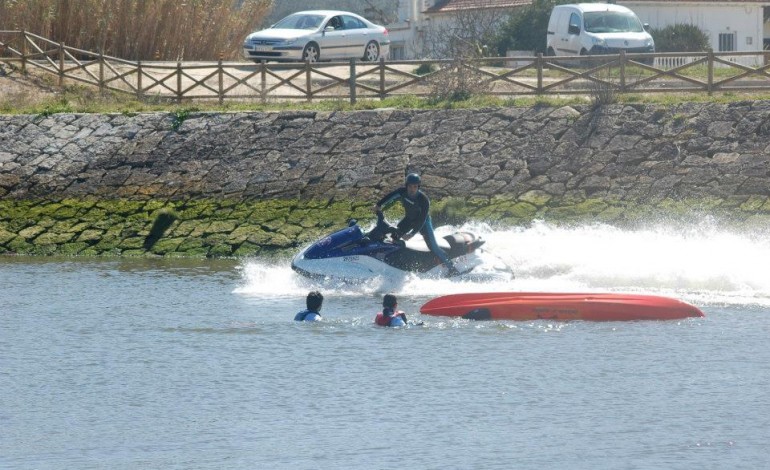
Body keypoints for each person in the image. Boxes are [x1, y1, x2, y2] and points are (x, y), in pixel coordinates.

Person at [373, 173, 459, 276]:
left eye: (415, 186)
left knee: (433, 247)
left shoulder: (423, 199)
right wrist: (378, 205)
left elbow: (422, 219)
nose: (412, 189)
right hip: (408, 220)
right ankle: (396, 262)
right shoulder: (402, 192)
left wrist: (412, 234)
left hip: (423, 223)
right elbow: (390, 196)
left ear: (418, 186)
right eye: (410, 186)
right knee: (394, 237)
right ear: (406, 185)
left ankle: (452, 269)